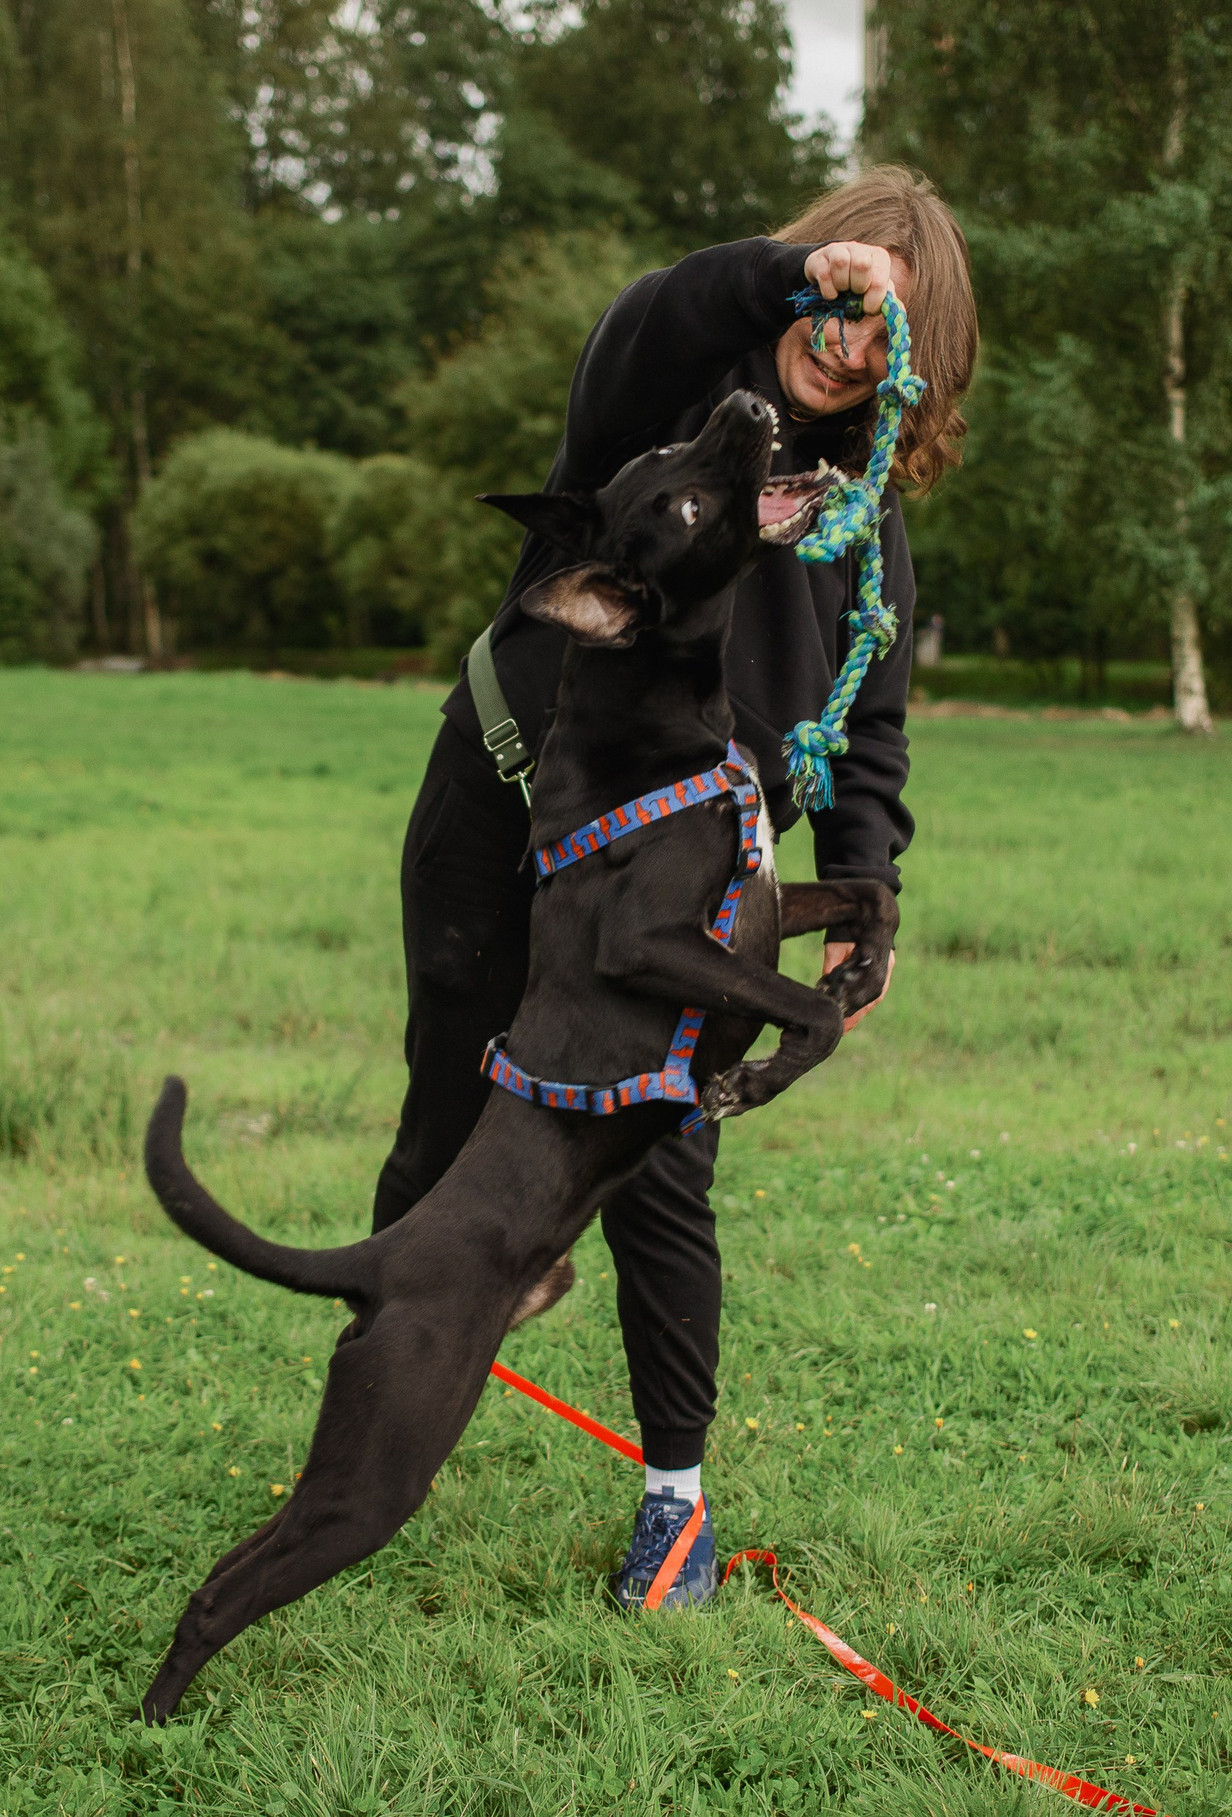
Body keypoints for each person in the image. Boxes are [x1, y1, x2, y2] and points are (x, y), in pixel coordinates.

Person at [372, 166, 977, 1609]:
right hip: (506, 809)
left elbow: (869, 729)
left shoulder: (863, 526)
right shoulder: (676, 390)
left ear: (920, 358)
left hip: (677, 888)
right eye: (839, 288)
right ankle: (383, 1406)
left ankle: (675, 1510)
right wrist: (793, 271)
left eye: (888, 314)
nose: (849, 332)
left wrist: (865, 882)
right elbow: (661, 305)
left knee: (661, 1164)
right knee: (443, 1120)